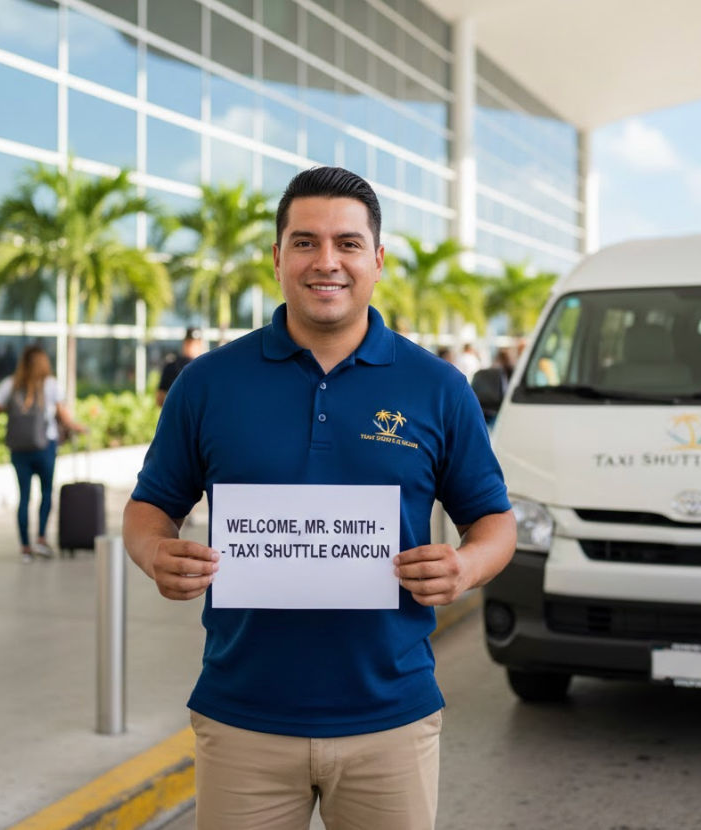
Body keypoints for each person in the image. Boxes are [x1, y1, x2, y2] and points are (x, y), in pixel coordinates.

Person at [123, 167, 516, 830]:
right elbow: (148, 506)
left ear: (377, 260)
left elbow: (494, 522)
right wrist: (154, 551)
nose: (326, 261)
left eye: (347, 244)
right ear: (278, 258)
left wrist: (465, 567)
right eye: (305, 242)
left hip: (391, 718)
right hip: (242, 718)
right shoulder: (209, 384)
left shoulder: (438, 387)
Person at [0, 345, 84, 562]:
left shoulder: (10, 384)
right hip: (45, 446)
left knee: (23, 497)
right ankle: (41, 539)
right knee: (47, 492)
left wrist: (13, 408)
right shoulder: (50, 385)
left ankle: (24, 548)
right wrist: (80, 428)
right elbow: (65, 418)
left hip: (19, 449)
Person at [155, 327, 205, 407]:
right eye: (189, 343)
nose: (192, 347)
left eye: (195, 343)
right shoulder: (172, 366)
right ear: (184, 343)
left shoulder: (206, 368)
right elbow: (159, 398)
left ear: (200, 345)